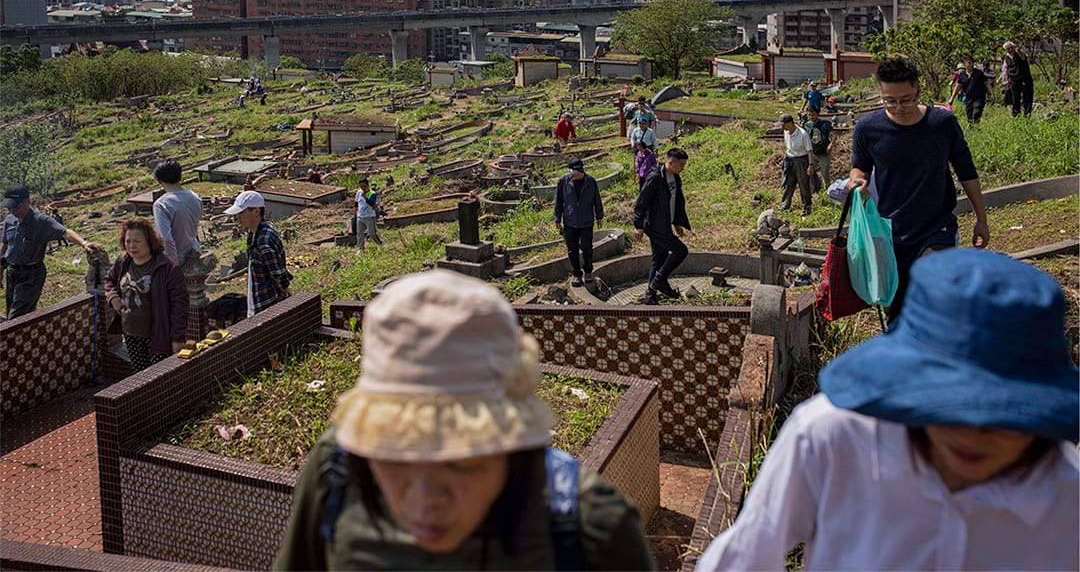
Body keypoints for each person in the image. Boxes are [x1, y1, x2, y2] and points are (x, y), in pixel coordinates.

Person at [695, 248, 1079, 572]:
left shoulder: (1068, 498)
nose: (971, 433)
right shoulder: (832, 439)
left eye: (1002, 416)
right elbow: (746, 555)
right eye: (946, 407)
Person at [273, 269, 655, 571]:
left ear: (513, 445)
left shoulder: (591, 530)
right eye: (396, 456)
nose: (425, 500)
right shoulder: (336, 473)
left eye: (462, 462)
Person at [848, 58, 989, 321]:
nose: (899, 107)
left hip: (936, 226)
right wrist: (856, 180)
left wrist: (981, 218)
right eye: (890, 101)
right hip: (890, 231)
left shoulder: (941, 123)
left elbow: (966, 171)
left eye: (906, 99)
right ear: (880, 95)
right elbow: (859, 168)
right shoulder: (868, 129)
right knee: (896, 311)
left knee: (929, 287)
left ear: (918, 92)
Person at [1, 185, 104, 319]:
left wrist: (84, 243)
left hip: (31, 274)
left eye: (15, 207)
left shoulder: (41, 221)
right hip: (12, 272)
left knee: (17, 317)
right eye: (9, 207)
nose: (12, 210)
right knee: (12, 313)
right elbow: (4, 244)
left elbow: (65, 232)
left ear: (27, 201)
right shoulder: (9, 220)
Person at [104, 219, 189, 372]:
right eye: (128, 241)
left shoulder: (166, 267)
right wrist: (113, 297)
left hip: (158, 336)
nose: (131, 246)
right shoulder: (124, 261)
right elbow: (109, 280)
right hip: (131, 333)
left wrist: (178, 338)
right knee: (139, 377)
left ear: (149, 241)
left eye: (137, 241)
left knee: (159, 377)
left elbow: (180, 305)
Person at [633, 148, 691, 305]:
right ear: (670, 162)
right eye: (681, 165)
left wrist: (677, 222)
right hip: (654, 226)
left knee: (659, 259)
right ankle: (659, 282)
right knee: (681, 251)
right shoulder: (655, 178)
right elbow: (641, 203)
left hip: (665, 224)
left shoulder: (675, 177)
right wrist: (638, 225)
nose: (683, 168)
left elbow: (677, 201)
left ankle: (650, 294)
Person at [224, 191, 292, 317]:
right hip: (257, 299)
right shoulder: (254, 233)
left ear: (256, 211)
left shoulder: (263, 241)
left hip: (267, 305)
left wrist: (288, 296)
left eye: (241, 213)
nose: (238, 217)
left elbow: (279, 277)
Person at [553, 158, 604, 287]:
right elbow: (559, 201)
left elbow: (596, 199)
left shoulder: (590, 181)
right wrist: (557, 218)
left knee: (587, 248)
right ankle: (576, 274)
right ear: (570, 171)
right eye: (575, 172)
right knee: (572, 250)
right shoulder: (563, 182)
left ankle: (588, 271)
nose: (577, 175)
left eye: (579, 172)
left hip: (587, 221)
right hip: (570, 222)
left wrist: (599, 216)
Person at [152, 160, 203, 269]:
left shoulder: (161, 204)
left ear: (159, 181)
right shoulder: (194, 197)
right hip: (193, 250)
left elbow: (166, 239)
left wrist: (172, 266)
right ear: (180, 177)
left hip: (177, 258)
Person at [778, 113, 814, 217]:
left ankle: (807, 208)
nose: (782, 127)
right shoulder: (786, 132)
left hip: (801, 161)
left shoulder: (803, 134)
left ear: (789, 124)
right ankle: (784, 207)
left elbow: (810, 151)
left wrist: (810, 165)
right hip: (790, 160)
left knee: (804, 186)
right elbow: (788, 147)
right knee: (788, 184)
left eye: (783, 125)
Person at [949, 55, 993, 124]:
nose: (971, 64)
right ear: (964, 64)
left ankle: (976, 124)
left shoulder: (979, 73)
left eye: (972, 62)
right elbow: (957, 86)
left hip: (979, 97)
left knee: (977, 112)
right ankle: (972, 129)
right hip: (969, 98)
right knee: (969, 116)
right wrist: (952, 98)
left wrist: (992, 94)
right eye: (969, 63)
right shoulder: (962, 75)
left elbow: (987, 83)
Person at [803, 107, 833, 186]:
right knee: (811, 172)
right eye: (809, 115)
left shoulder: (825, 124)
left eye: (813, 115)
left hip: (824, 152)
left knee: (824, 172)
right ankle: (814, 188)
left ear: (817, 114)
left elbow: (833, 136)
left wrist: (831, 144)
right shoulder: (806, 125)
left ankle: (828, 188)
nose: (811, 117)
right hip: (812, 153)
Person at [1003, 40, 1035, 117]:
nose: (1010, 50)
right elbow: (1006, 69)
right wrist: (1007, 80)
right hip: (1014, 80)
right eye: (1008, 49)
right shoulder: (1006, 57)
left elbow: (1023, 57)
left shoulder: (1020, 54)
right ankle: (1016, 115)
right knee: (1015, 99)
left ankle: (1027, 115)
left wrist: (1019, 51)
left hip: (1025, 79)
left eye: (1011, 48)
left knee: (1027, 98)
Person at [354, 178, 383, 251]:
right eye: (361, 186)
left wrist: (365, 197)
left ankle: (380, 243)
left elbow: (372, 204)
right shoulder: (358, 193)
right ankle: (360, 249)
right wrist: (355, 213)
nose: (362, 188)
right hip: (360, 216)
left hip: (369, 216)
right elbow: (356, 203)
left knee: (372, 233)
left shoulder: (372, 194)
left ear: (368, 185)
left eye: (364, 186)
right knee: (359, 234)